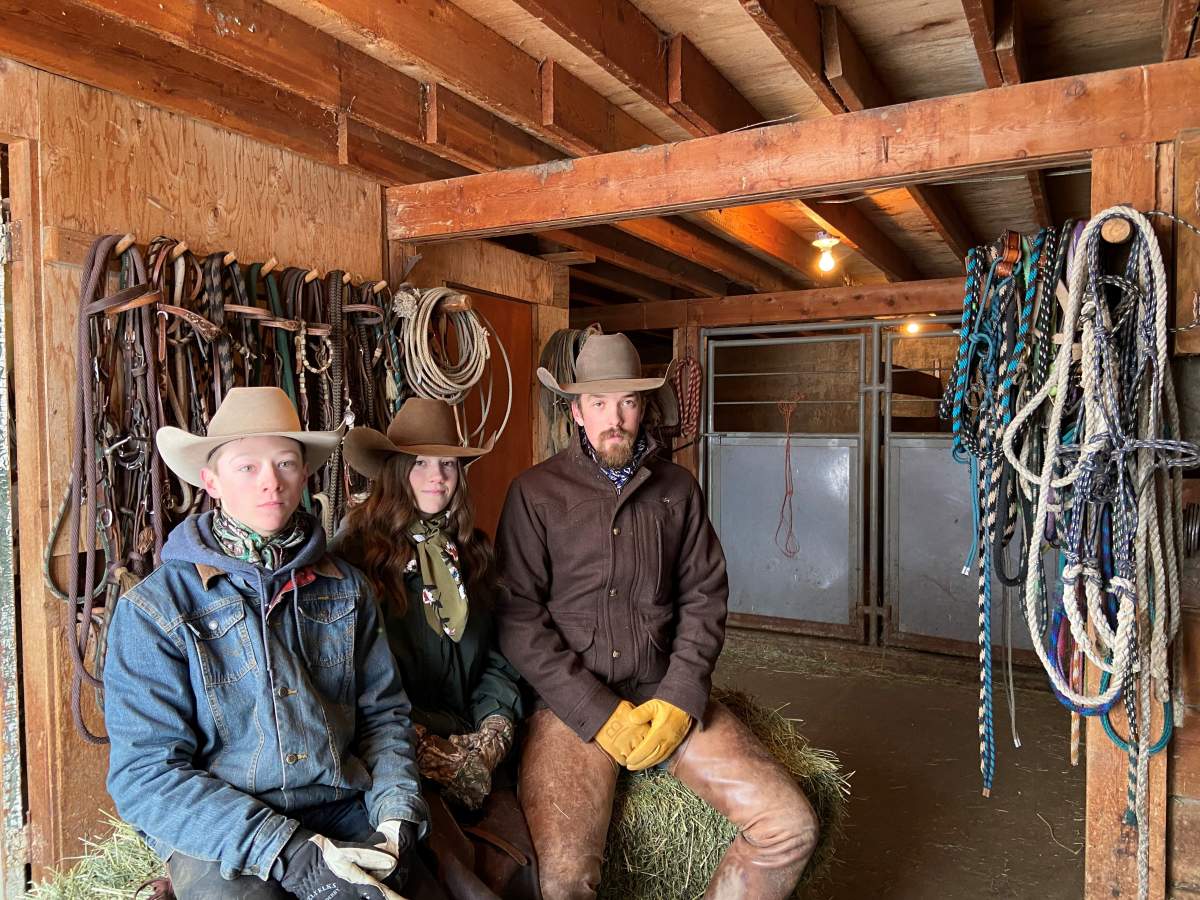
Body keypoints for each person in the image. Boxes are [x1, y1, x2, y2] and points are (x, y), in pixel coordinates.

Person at [496, 333, 820, 900]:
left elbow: (704, 595)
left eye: (627, 402)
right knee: (561, 880)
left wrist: (680, 696)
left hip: (661, 689)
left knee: (790, 829)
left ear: (643, 407)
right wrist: (596, 711)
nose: (614, 418)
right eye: (599, 403)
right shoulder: (534, 493)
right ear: (576, 411)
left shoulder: (678, 490)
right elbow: (518, 617)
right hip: (572, 706)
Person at [103, 386, 447, 900]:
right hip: (222, 826)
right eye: (247, 467)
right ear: (211, 481)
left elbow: (383, 717)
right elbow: (145, 775)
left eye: (285, 463)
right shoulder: (155, 610)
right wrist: (289, 851)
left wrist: (396, 813)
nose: (271, 481)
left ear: (305, 475)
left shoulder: (347, 588)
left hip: (338, 804)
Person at [336, 397, 539, 900]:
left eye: (447, 463)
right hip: (395, 752)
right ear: (394, 470)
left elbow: (501, 656)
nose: (437, 477)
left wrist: (493, 731)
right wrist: (426, 748)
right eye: (421, 463)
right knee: (453, 876)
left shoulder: (474, 553)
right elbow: (346, 678)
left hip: (474, 743)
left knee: (521, 865)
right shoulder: (353, 557)